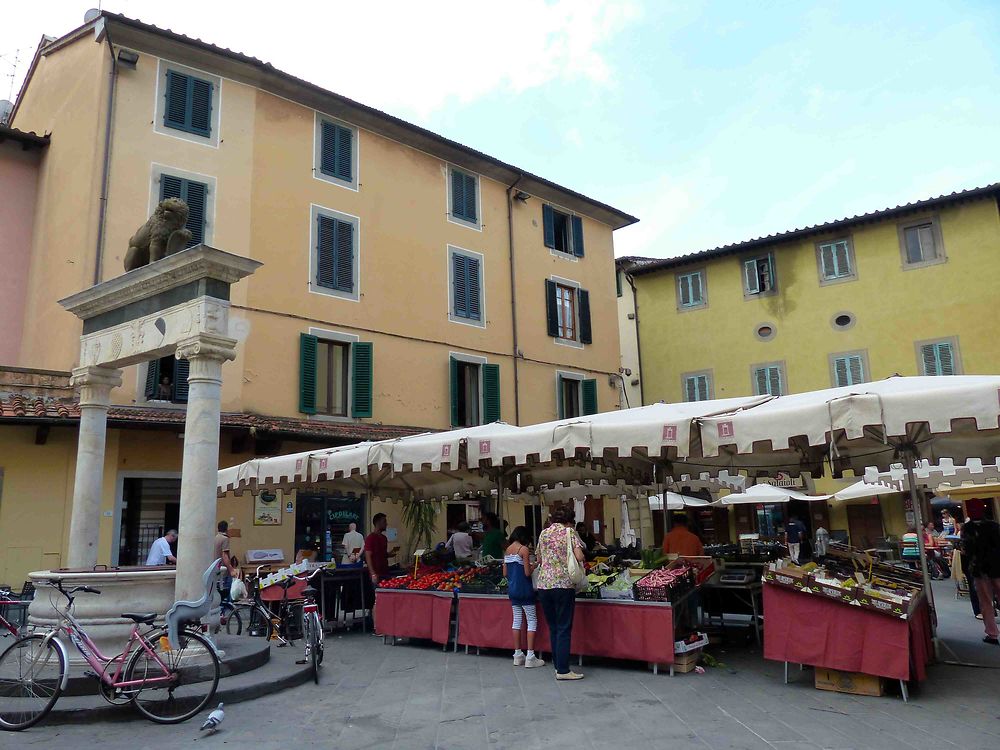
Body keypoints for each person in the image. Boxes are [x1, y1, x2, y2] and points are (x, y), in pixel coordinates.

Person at [535, 506, 585, 681]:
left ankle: (558, 665)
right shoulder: (569, 532)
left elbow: (539, 559)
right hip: (563, 585)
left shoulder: (543, 534)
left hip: (544, 585)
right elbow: (579, 556)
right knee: (564, 627)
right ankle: (563, 670)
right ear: (569, 520)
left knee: (554, 627)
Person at [503, 526, 544, 668]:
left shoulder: (507, 550)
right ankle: (530, 656)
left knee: (516, 621)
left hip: (513, 590)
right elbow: (527, 573)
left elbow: (505, 573)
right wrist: (535, 565)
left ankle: (518, 654)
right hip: (525, 590)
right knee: (532, 621)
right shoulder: (524, 550)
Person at [962, 519, 1000, 644]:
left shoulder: (968, 528)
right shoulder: (994, 526)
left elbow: (967, 549)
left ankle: (992, 634)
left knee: (985, 602)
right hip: (997, 566)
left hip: (979, 568)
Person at [214, 521, 238, 600]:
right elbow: (225, 556)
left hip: (215, 568)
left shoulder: (215, 538)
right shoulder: (225, 539)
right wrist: (231, 570)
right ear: (226, 529)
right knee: (226, 591)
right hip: (223, 570)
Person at [364, 513, 390, 585]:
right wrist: (373, 574)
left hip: (385, 572)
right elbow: (368, 556)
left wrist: (389, 554)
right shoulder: (370, 538)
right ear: (378, 523)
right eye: (384, 521)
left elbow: (382, 554)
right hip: (377, 574)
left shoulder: (384, 538)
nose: (386, 524)